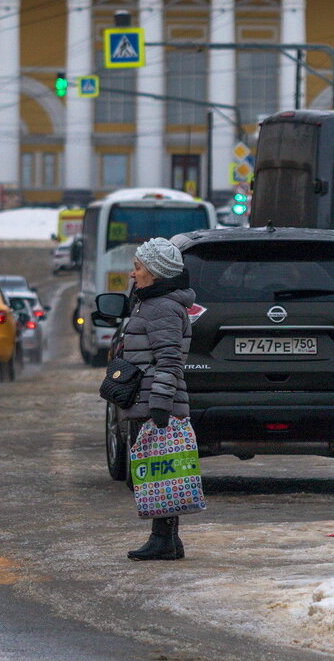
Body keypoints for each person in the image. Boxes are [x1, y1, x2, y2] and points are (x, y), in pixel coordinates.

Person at [118, 237, 195, 561]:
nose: (133, 274)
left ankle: (163, 539)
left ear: (156, 273)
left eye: (138, 268)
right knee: (162, 470)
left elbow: (169, 360)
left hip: (155, 402)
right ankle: (167, 538)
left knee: (157, 472)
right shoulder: (151, 303)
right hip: (150, 398)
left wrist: (160, 405)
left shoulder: (161, 307)